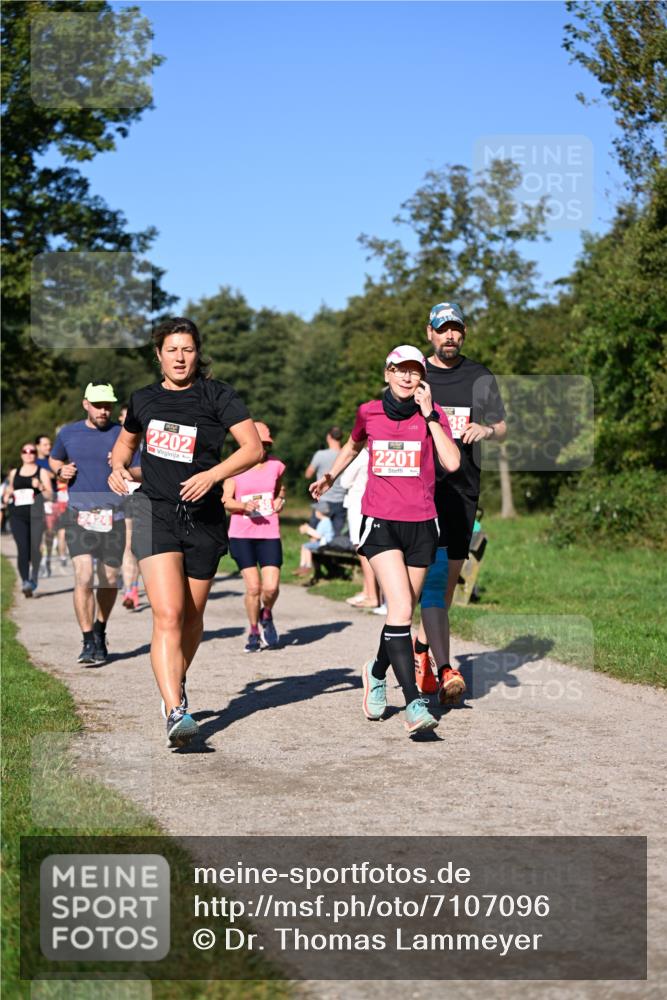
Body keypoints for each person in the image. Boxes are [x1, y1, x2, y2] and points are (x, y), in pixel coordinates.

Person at [109, 317, 263, 749]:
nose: (180, 357)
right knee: (169, 615)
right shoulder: (144, 400)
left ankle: (174, 680)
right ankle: (176, 708)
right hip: (154, 513)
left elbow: (251, 448)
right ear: (158, 354)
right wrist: (119, 468)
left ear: (198, 353)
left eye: (188, 349)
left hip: (205, 518)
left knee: (193, 618)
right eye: (172, 350)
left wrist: (213, 475)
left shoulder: (218, 395)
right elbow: (123, 446)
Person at [310, 345, 460, 736]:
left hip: (423, 524)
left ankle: (375, 672)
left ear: (422, 377)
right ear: (388, 373)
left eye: (415, 371)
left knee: (401, 613)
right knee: (401, 608)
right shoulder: (368, 412)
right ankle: (412, 702)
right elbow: (354, 445)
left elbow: (453, 462)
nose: (408, 377)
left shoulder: (432, 413)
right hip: (381, 522)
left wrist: (430, 418)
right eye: (401, 370)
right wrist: (330, 477)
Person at [414, 302, 507, 703]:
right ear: (430, 333)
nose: (450, 335)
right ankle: (437, 662)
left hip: (463, 490)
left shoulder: (480, 376)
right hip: (419, 491)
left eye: (456, 329)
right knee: (424, 580)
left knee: (447, 582)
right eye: (442, 329)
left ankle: (422, 649)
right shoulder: (417, 374)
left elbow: (503, 426)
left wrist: (485, 429)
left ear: (462, 334)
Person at [50, 382, 139, 665]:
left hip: (113, 515)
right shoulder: (68, 433)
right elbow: (54, 460)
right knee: (84, 577)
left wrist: (125, 468)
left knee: (110, 580)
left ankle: (101, 628)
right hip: (80, 515)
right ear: (86, 403)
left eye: (108, 405)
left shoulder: (123, 435)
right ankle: (88, 639)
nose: (104, 410)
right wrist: (60, 470)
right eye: (98, 405)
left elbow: (140, 470)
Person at [223, 421, 286, 652]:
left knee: (270, 588)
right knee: (253, 588)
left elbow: (280, 489)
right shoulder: (234, 468)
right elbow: (226, 501)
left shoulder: (277, 466)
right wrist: (242, 506)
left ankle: (266, 613)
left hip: (269, 532)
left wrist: (281, 500)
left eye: (265, 445)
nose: (262, 449)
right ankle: (253, 631)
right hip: (241, 534)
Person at [6, 443, 53, 595]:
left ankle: (34, 577)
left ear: (35, 453)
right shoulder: (15, 472)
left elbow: (50, 495)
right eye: (25, 451)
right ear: (21, 454)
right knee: (22, 548)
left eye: (32, 451)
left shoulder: (42, 472)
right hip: (17, 516)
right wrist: (7, 495)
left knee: (34, 549)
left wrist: (40, 486)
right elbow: (10, 489)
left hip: (36, 516)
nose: (28, 454)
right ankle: (26, 581)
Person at [340, 448, 381, 609]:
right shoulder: (375, 453)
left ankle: (372, 596)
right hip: (372, 504)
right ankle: (367, 590)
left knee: (362, 552)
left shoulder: (360, 457)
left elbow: (344, 481)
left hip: (358, 506)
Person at [117, 404, 141, 610]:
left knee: (143, 547)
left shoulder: (148, 437)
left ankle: (134, 585)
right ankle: (129, 589)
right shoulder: (117, 441)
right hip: (125, 498)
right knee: (128, 546)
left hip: (148, 496)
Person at [305, 427, 347, 535]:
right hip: (341, 500)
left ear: (328, 437)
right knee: (335, 536)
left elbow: (308, 474)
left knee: (315, 533)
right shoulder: (346, 455)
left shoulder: (320, 454)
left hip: (323, 499)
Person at [296, 503, 334, 574]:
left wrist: (307, 530)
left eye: (316, 511)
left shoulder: (325, 522)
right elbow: (318, 534)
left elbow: (318, 535)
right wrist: (308, 529)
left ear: (319, 512)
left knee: (306, 547)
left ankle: (307, 566)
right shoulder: (324, 521)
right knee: (305, 546)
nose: (315, 513)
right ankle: (302, 566)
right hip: (323, 542)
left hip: (325, 544)